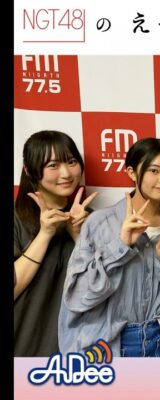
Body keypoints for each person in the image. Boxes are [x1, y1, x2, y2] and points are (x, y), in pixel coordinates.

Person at [59, 138, 160, 357]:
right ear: (132, 172)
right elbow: (77, 297)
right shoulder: (100, 222)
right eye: (154, 170)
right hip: (111, 344)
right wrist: (120, 246)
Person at [14, 130, 98, 356]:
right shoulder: (17, 219)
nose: (66, 173)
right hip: (25, 350)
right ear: (29, 171)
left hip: (80, 353)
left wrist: (80, 236)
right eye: (53, 165)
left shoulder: (92, 220)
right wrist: (45, 234)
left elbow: (103, 291)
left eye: (71, 162)